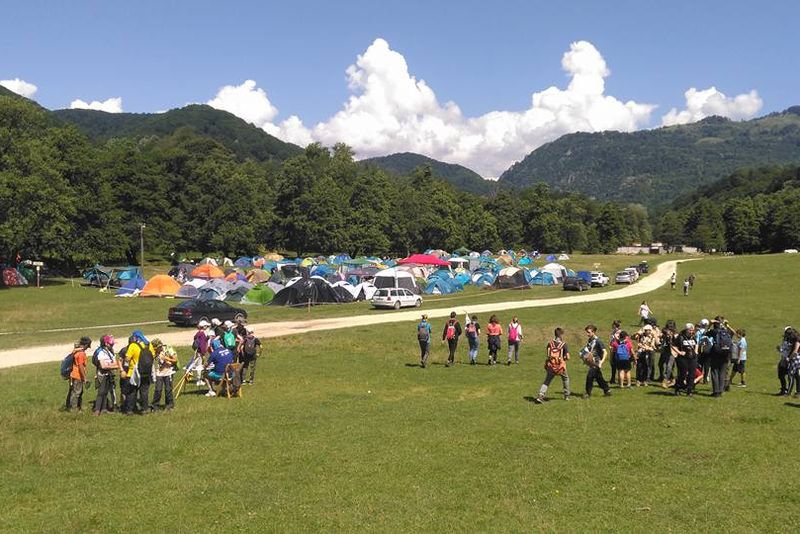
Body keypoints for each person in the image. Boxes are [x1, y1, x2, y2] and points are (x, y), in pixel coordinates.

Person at [534, 327, 571, 403]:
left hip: (551, 366)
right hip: (560, 367)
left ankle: (540, 395)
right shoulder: (564, 345)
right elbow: (568, 357)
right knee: (565, 379)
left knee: (547, 380)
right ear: (561, 335)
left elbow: (548, 355)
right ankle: (567, 396)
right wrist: (563, 359)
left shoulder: (549, 344)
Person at [706, 316, 735, 397]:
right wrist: (727, 325)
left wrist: (710, 324)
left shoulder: (714, 331)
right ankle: (721, 391)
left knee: (715, 372)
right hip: (726, 355)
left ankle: (716, 392)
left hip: (716, 354)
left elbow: (705, 334)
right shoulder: (727, 331)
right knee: (722, 373)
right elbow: (734, 333)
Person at [581, 324, 611, 399]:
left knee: (589, 376)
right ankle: (607, 390)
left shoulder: (598, 341)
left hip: (596, 363)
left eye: (589, 332)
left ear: (593, 332)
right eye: (587, 332)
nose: (587, 334)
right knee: (599, 378)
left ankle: (587, 393)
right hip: (591, 363)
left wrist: (601, 362)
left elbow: (605, 352)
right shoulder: (590, 340)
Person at [92, 335, 119, 416]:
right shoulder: (101, 352)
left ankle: (103, 409)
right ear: (106, 344)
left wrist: (109, 365)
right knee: (101, 392)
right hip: (102, 374)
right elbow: (103, 366)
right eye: (111, 344)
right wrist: (113, 365)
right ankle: (97, 410)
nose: (112, 345)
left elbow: (115, 363)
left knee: (105, 392)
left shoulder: (110, 352)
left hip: (109, 374)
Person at [65, 336, 91, 412]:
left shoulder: (76, 351)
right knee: (77, 393)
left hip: (73, 375)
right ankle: (74, 409)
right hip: (77, 376)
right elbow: (80, 366)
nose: (88, 348)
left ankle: (76, 406)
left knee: (75, 391)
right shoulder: (81, 353)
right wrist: (84, 378)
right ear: (86, 345)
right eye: (88, 346)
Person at [150, 339, 177, 411]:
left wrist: (166, 358)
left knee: (168, 389)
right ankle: (155, 406)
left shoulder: (168, 349)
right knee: (158, 389)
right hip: (159, 373)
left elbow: (175, 360)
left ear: (160, 346)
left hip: (168, 372)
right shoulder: (154, 352)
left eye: (156, 348)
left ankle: (169, 405)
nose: (155, 350)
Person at [673, 323, 698, 397]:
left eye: (692, 330)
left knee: (692, 375)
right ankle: (677, 388)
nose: (691, 332)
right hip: (683, 358)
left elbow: (696, 343)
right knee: (682, 374)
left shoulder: (693, 337)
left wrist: (696, 351)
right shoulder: (680, 337)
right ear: (686, 330)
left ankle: (689, 391)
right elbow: (673, 346)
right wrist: (679, 352)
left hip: (693, 358)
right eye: (690, 330)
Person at [777, 327, 798, 396]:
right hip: (783, 359)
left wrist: (789, 358)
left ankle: (787, 391)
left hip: (788, 360)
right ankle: (784, 389)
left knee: (790, 376)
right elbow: (783, 349)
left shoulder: (794, 341)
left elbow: (794, 351)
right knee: (781, 375)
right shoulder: (785, 340)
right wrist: (780, 349)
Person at [659, 320, 678, 387]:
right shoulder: (664, 333)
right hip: (665, 351)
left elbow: (675, 343)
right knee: (662, 364)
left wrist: (672, 336)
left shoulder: (676, 335)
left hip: (672, 352)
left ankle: (665, 380)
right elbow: (662, 332)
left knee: (669, 366)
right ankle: (672, 379)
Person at [695, 318, 712, 383]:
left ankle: (699, 378)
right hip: (708, 350)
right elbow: (711, 341)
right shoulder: (709, 331)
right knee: (707, 365)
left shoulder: (698, 332)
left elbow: (697, 342)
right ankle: (705, 379)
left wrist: (696, 350)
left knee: (700, 364)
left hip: (701, 350)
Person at [608, 320, 621, 385]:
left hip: (616, 350)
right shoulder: (613, 332)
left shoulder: (619, 332)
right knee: (612, 364)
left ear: (615, 325)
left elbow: (620, 341)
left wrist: (616, 337)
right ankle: (612, 379)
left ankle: (619, 379)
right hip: (612, 349)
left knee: (617, 365)